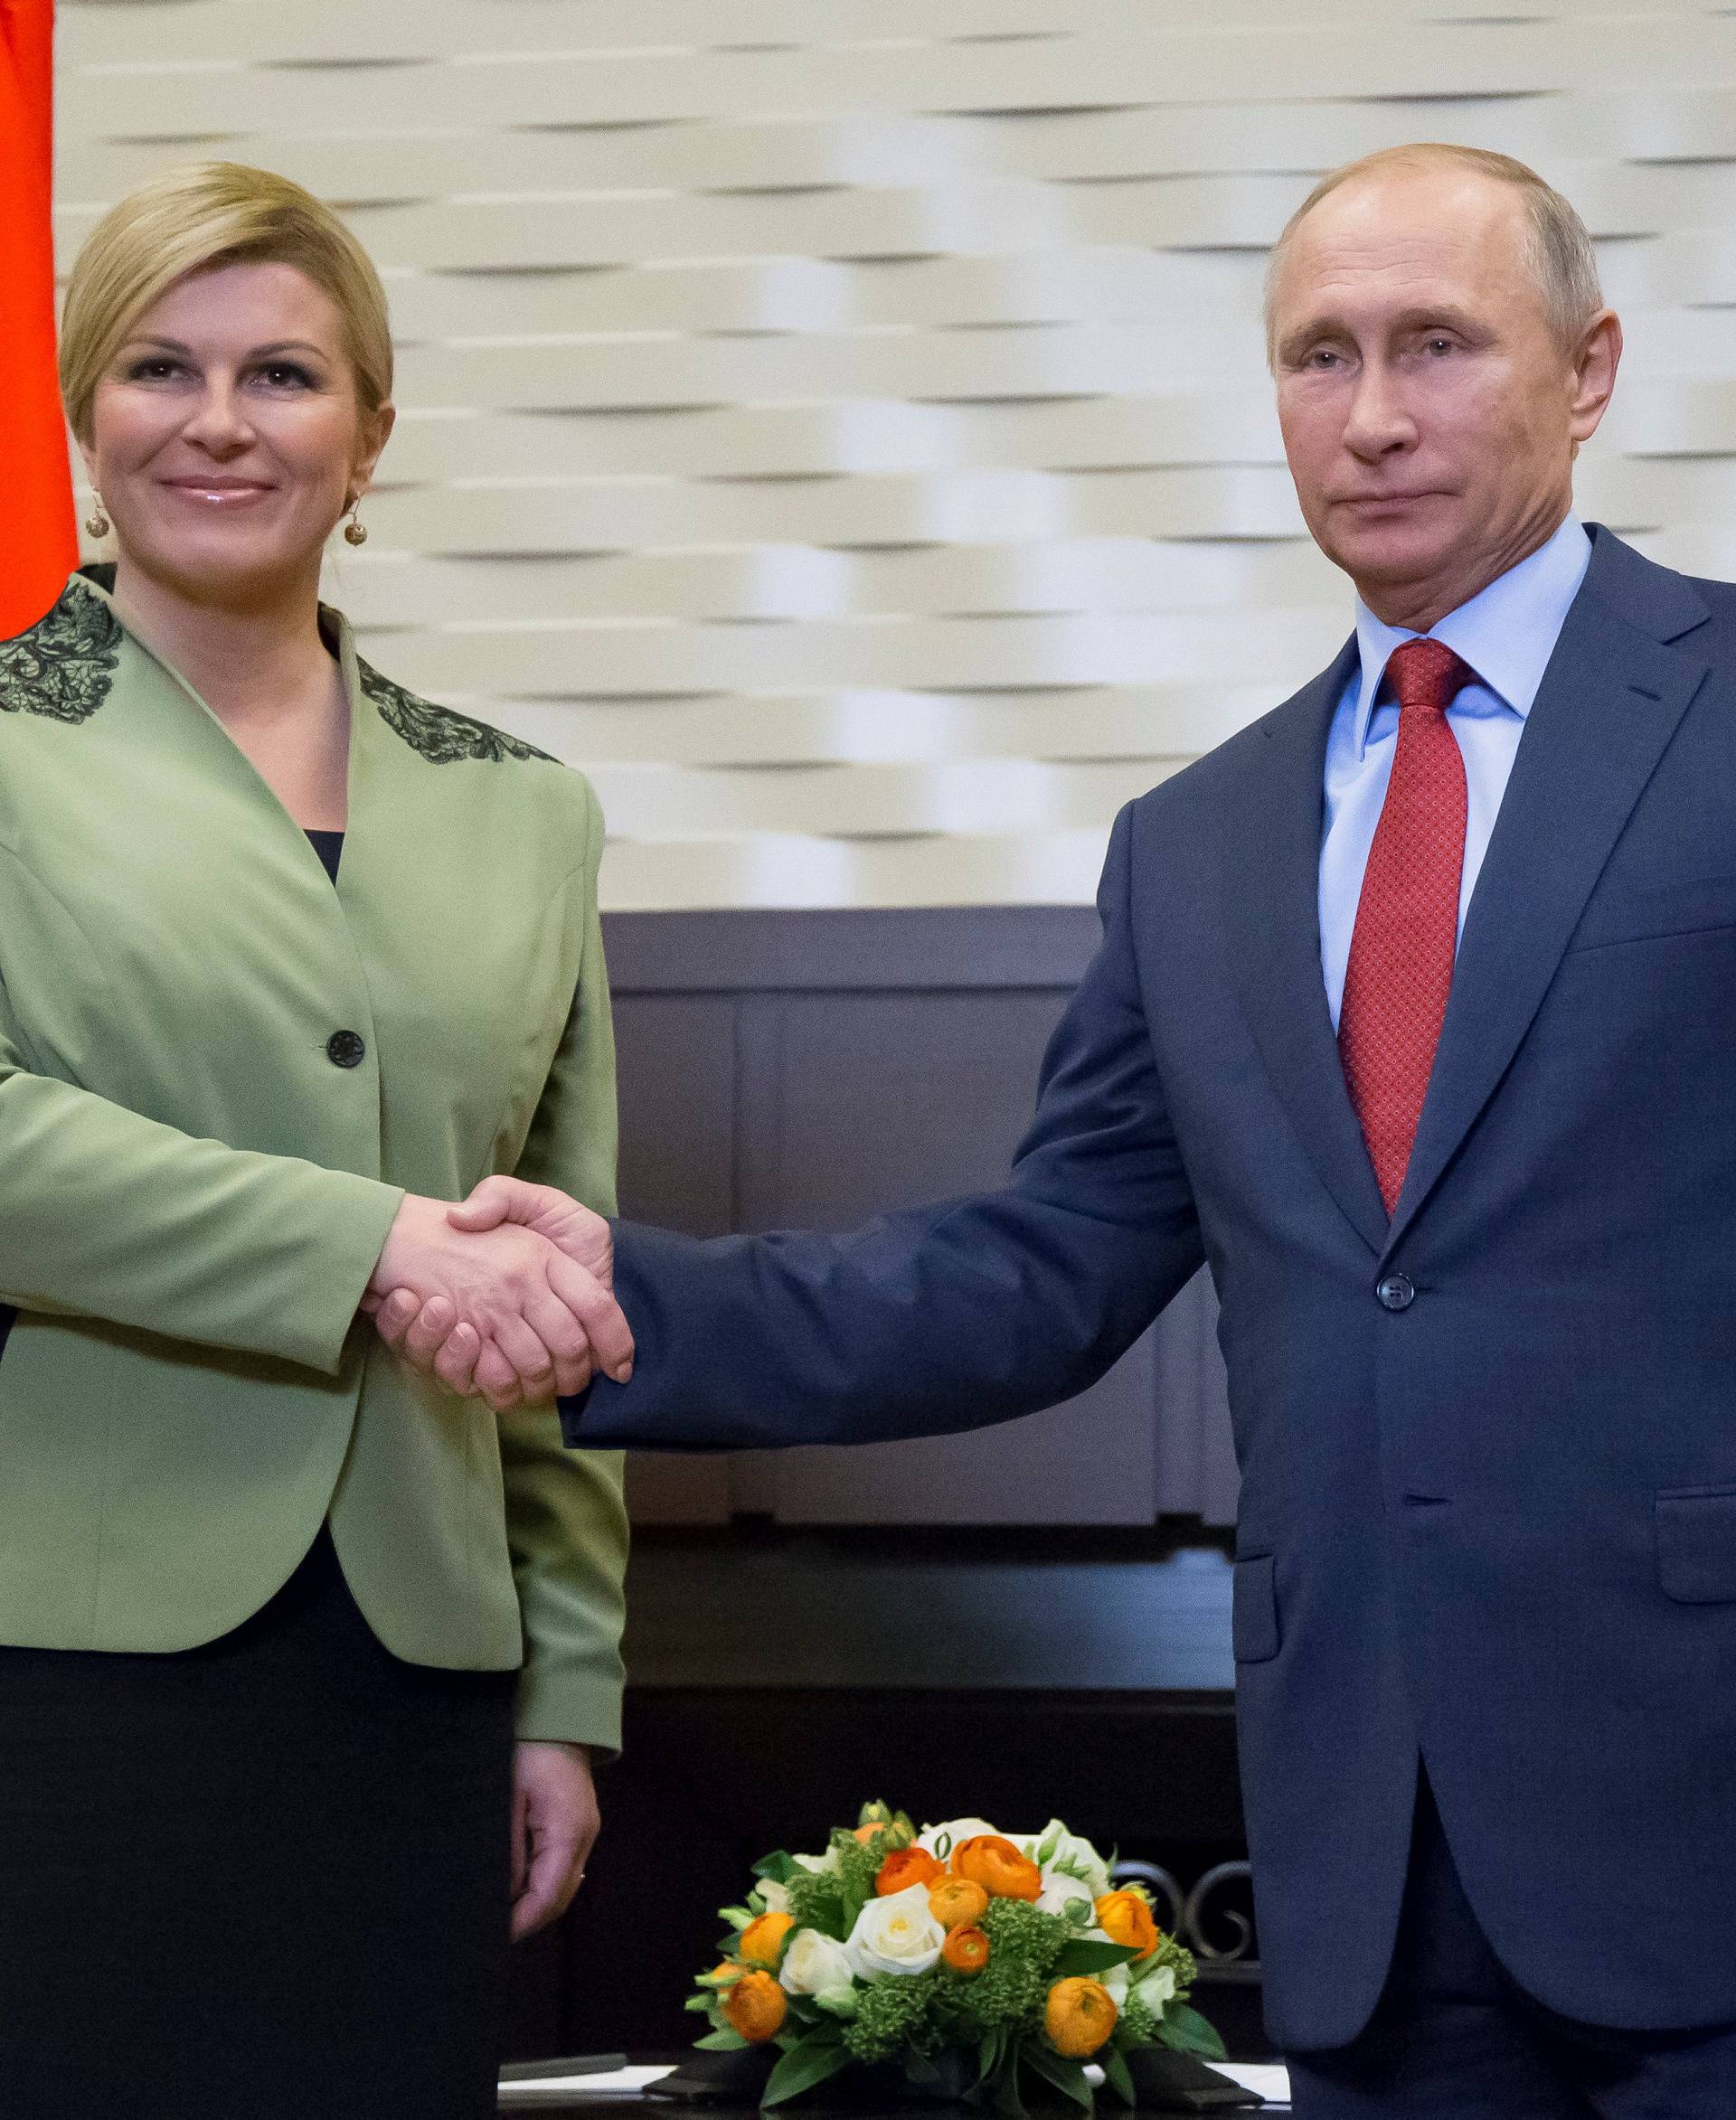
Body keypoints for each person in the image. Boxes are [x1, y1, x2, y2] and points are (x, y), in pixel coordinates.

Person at [387, 142, 1736, 2115]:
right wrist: (626, 1308)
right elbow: (1037, 1275)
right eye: (1318, 356)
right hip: (1376, 1859)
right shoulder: (1193, 848)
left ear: (1591, 367)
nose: (1369, 417)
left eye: (1437, 346)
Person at [0, 160, 634, 2120]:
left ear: (371, 430)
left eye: (282, 374)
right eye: (159, 368)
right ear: (83, 415)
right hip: (66, 1648)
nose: (217, 421)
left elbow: (565, 1257)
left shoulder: (526, 811)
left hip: (420, 1669)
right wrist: (368, 1244)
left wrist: (571, 1687)